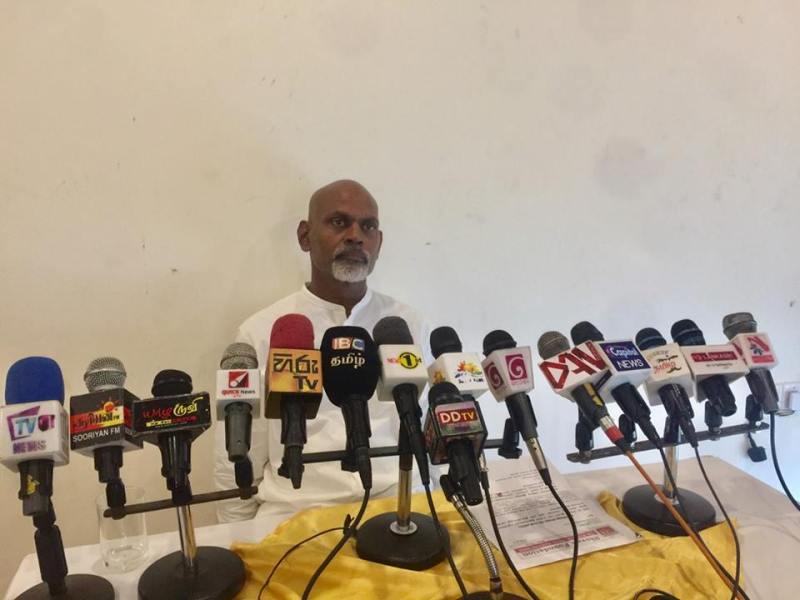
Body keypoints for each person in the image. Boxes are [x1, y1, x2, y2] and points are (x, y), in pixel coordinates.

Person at [214, 179, 429, 522]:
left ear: (379, 243)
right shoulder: (261, 331)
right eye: (339, 222)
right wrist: (238, 537)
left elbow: (429, 428)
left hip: (402, 506)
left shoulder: (406, 325)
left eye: (368, 226)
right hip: (296, 514)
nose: (355, 236)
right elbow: (236, 456)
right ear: (305, 236)